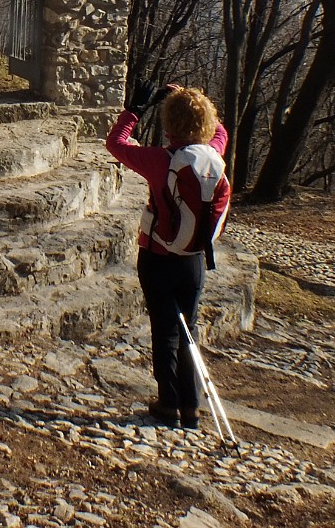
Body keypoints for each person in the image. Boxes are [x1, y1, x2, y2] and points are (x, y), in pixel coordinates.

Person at [106, 83, 231, 428]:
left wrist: (134, 110)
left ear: (168, 125)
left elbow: (115, 143)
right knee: (188, 328)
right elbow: (221, 131)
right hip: (195, 258)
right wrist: (195, 100)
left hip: (157, 255)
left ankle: (167, 404)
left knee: (165, 331)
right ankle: (191, 406)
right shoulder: (214, 155)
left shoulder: (161, 161)